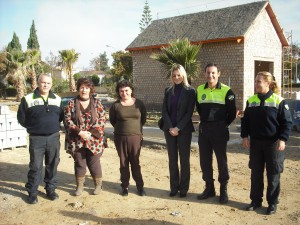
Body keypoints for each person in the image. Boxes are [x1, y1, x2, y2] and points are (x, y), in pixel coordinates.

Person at [241, 71, 292, 215]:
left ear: (267, 84)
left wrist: (282, 139)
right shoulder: (251, 101)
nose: (256, 83)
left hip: (273, 144)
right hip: (256, 144)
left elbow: (287, 123)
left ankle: (272, 203)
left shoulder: (278, 101)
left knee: (273, 174)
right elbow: (245, 121)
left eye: (259, 81)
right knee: (256, 173)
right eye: (256, 80)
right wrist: (245, 136)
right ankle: (256, 201)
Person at [17, 74, 63, 204]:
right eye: (43, 82)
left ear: (51, 84)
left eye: (48, 83)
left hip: (54, 137)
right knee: (36, 166)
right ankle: (32, 193)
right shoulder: (28, 99)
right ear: (38, 83)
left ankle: (50, 189)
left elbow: (60, 116)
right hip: (36, 139)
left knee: (53, 165)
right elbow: (21, 118)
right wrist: (34, 127)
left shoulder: (57, 99)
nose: (45, 85)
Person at [196, 63, 236, 204]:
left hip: (219, 130)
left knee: (221, 161)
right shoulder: (200, 89)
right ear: (204, 74)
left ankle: (223, 190)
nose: (210, 75)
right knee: (205, 161)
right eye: (208, 73)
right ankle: (209, 188)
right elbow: (200, 109)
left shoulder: (227, 91)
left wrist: (222, 125)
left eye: (213, 73)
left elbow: (232, 113)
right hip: (204, 130)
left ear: (219, 73)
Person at [64, 78, 107, 196]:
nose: (84, 90)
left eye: (87, 88)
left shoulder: (97, 103)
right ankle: (79, 187)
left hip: (94, 139)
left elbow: (102, 119)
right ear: (78, 89)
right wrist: (79, 132)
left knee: (94, 163)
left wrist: (89, 133)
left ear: (90, 89)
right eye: (82, 87)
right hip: (76, 139)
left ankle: (98, 185)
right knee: (79, 163)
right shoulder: (71, 103)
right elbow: (67, 120)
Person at [161, 64, 196, 198]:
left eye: (179, 75)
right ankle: (174, 187)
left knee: (184, 160)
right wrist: (170, 127)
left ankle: (184, 189)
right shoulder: (168, 90)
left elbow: (189, 112)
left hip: (184, 130)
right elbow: (164, 110)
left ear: (183, 75)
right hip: (169, 130)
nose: (176, 77)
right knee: (172, 159)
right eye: (174, 75)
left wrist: (178, 128)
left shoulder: (190, 91)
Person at [109, 80, 147, 197]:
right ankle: (125, 186)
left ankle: (140, 187)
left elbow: (143, 119)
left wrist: (135, 131)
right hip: (120, 138)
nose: (124, 93)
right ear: (118, 92)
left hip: (135, 138)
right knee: (123, 162)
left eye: (126, 90)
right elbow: (112, 121)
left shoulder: (139, 104)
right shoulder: (115, 105)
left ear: (131, 91)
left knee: (135, 162)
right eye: (121, 91)